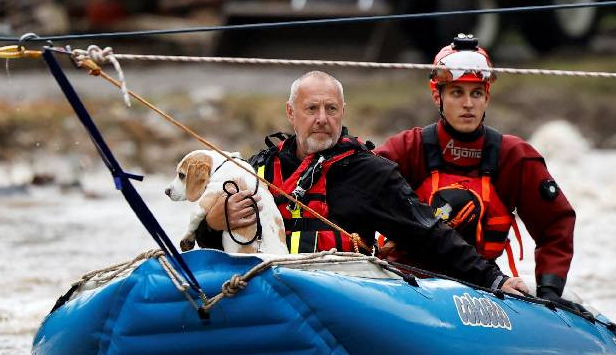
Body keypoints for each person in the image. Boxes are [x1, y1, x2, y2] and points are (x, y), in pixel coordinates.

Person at [189, 70, 529, 295]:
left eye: (331, 109)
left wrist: (493, 279)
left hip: (340, 296)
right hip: (262, 291)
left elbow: (428, 232)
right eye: (311, 109)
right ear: (291, 114)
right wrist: (217, 222)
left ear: (343, 113)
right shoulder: (255, 170)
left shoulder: (372, 174)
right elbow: (209, 246)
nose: (322, 119)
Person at [373, 34, 576, 302]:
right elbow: (360, 195)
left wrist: (550, 294)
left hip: (481, 289)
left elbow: (555, 225)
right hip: (406, 286)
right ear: (438, 96)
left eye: (476, 93)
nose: (468, 104)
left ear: (487, 98)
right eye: (457, 92)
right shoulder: (407, 149)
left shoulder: (515, 158)